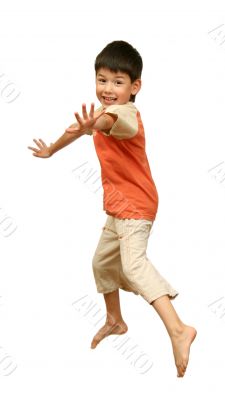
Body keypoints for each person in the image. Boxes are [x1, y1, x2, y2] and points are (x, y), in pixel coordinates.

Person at [28, 40, 197, 377]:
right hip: (117, 207)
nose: (108, 88)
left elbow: (106, 124)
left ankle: (179, 329)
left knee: (133, 267)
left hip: (137, 204)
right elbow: (78, 129)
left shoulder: (126, 114)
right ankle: (115, 320)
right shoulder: (101, 114)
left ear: (135, 87)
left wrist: (94, 125)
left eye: (118, 82)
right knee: (102, 262)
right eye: (102, 80)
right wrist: (52, 150)